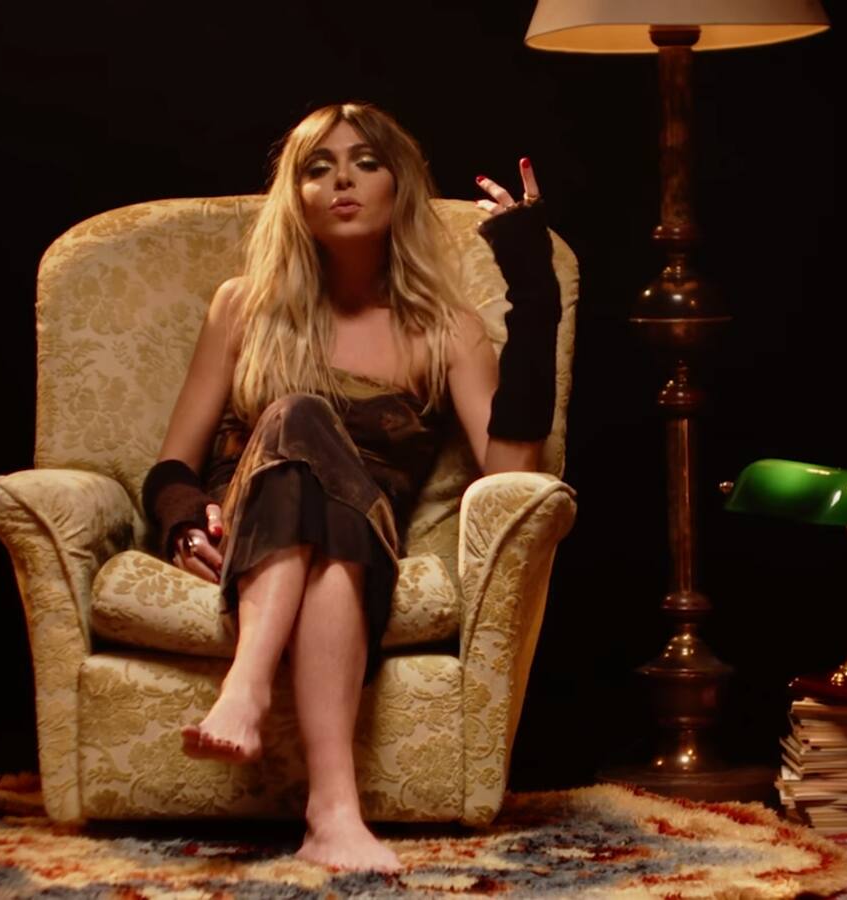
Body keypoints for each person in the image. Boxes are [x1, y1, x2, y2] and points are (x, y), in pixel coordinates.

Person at [141, 102, 560, 872]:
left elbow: (511, 481)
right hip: (248, 527)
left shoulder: (447, 327)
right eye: (319, 167)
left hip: (362, 538)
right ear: (295, 195)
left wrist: (534, 291)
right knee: (297, 418)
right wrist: (184, 523)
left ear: (399, 187)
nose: (342, 181)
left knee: (336, 542)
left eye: (366, 163)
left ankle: (274, 729)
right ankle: (325, 801)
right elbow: (172, 466)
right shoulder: (243, 306)